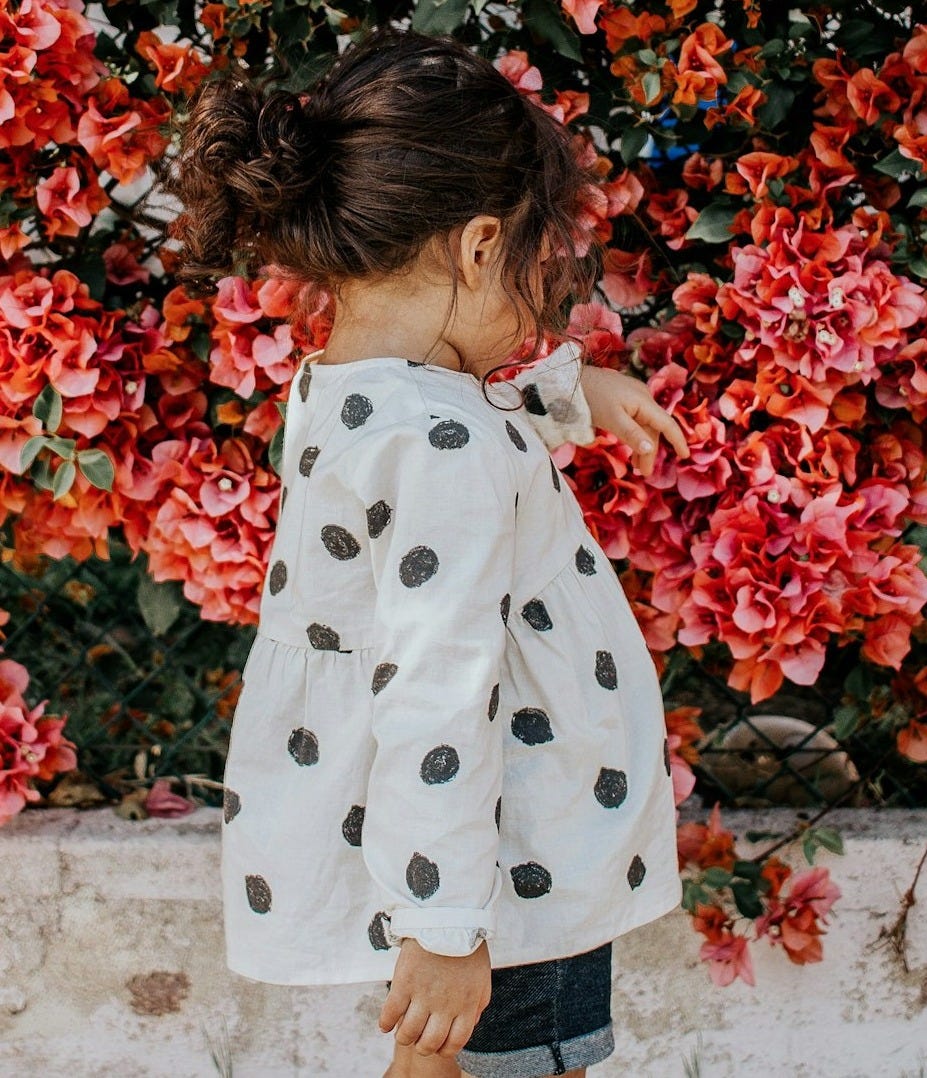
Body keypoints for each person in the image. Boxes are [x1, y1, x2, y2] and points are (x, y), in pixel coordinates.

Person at [168, 27, 690, 1078]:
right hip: (512, 853)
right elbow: (439, 687)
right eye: (540, 260)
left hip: (450, 854)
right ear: (479, 245)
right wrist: (448, 927)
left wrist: (562, 391)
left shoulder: (342, 391)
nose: (547, 297)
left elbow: (448, 419)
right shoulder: (443, 448)